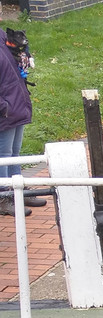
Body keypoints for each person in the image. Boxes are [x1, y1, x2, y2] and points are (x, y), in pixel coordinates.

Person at [0, 29, 40, 216]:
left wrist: (23, 55)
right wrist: (3, 106)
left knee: (14, 152)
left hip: (15, 102)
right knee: (3, 155)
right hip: (5, 108)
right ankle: (4, 197)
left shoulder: (2, 35)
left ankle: (18, 190)